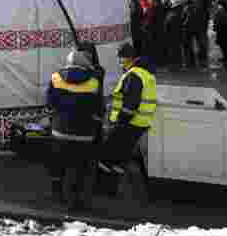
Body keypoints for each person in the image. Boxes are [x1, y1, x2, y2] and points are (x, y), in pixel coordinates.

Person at [46, 44, 104, 211]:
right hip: (84, 133)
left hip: (60, 131)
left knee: (58, 164)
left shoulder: (56, 77)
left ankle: (57, 195)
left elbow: (50, 103)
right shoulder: (93, 82)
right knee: (80, 168)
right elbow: (98, 108)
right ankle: (76, 200)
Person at [99, 42, 157, 204]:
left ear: (128, 58)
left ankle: (105, 191)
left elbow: (130, 105)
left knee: (106, 157)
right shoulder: (146, 74)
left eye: (120, 58)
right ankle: (113, 190)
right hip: (140, 124)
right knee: (120, 158)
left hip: (128, 124)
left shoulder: (134, 75)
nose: (119, 62)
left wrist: (117, 123)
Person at [212, 0, 227, 71]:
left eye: (218, 5)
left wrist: (215, 28)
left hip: (221, 33)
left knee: (223, 48)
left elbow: (216, 23)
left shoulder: (219, 13)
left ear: (220, 5)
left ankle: (225, 62)